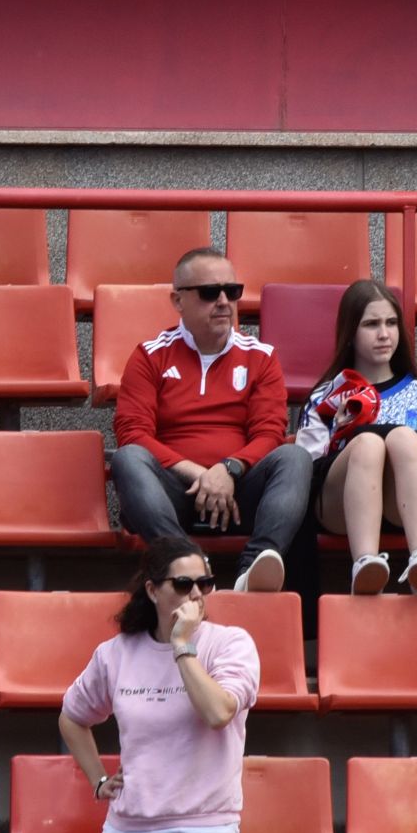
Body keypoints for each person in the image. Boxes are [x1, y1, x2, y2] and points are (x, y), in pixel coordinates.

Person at [59, 535, 257, 833]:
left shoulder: (230, 644)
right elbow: (73, 717)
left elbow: (217, 711)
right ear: (152, 590)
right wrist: (97, 779)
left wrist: (182, 645)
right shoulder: (116, 653)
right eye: (183, 584)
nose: (196, 595)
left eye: (205, 584)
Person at [110, 249, 311, 593]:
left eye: (231, 291)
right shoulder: (150, 355)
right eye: (208, 292)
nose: (223, 301)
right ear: (178, 301)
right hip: (172, 494)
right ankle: (187, 565)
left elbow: (269, 433)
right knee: (127, 457)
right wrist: (203, 475)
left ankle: (253, 569)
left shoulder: (260, 357)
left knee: (296, 456)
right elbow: (133, 432)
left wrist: (229, 470)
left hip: (240, 492)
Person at [294, 280, 417, 594]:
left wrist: (396, 461)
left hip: (405, 507)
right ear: (350, 333)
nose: (384, 334)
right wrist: (340, 436)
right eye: (371, 324)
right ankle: (364, 564)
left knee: (404, 439)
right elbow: (304, 472)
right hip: (339, 507)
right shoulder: (327, 397)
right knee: (368, 444)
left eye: (391, 323)